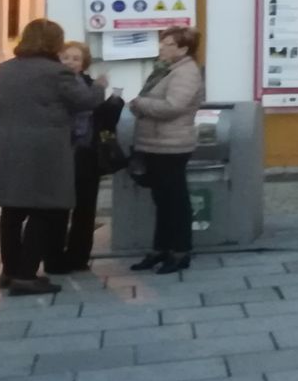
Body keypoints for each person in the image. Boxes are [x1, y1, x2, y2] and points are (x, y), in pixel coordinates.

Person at [0, 19, 109, 295]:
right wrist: (99, 85)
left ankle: (9, 272)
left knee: (12, 211)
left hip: (5, 147)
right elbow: (86, 101)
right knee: (44, 209)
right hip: (42, 152)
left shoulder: (5, 69)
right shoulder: (57, 72)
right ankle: (26, 276)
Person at [128, 26, 204, 275]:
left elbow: (174, 106)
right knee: (162, 200)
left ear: (183, 49)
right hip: (155, 143)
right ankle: (160, 249)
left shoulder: (186, 72)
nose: (161, 47)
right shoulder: (165, 70)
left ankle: (180, 251)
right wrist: (141, 104)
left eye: (168, 43)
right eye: (162, 42)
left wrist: (140, 103)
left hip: (172, 145)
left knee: (175, 200)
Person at [46, 41, 123, 274]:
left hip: (88, 153)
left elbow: (102, 119)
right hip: (63, 152)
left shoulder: (89, 84)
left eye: (76, 58)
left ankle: (79, 256)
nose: (70, 62)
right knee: (59, 208)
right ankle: (54, 257)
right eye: (66, 57)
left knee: (86, 207)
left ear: (83, 63)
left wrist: (114, 102)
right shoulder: (57, 85)